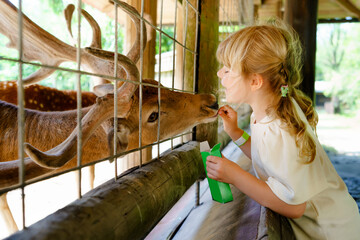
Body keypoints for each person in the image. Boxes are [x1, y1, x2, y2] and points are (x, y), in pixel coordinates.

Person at [206, 20, 360, 239]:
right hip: (333, 219)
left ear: (256, 81)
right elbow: (267, 158)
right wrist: (236, 134)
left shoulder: (280, 127)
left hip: (330, 230)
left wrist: (235, 176)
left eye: (228, 69)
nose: (221, 74)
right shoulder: (273, 108)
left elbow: (294, 206)